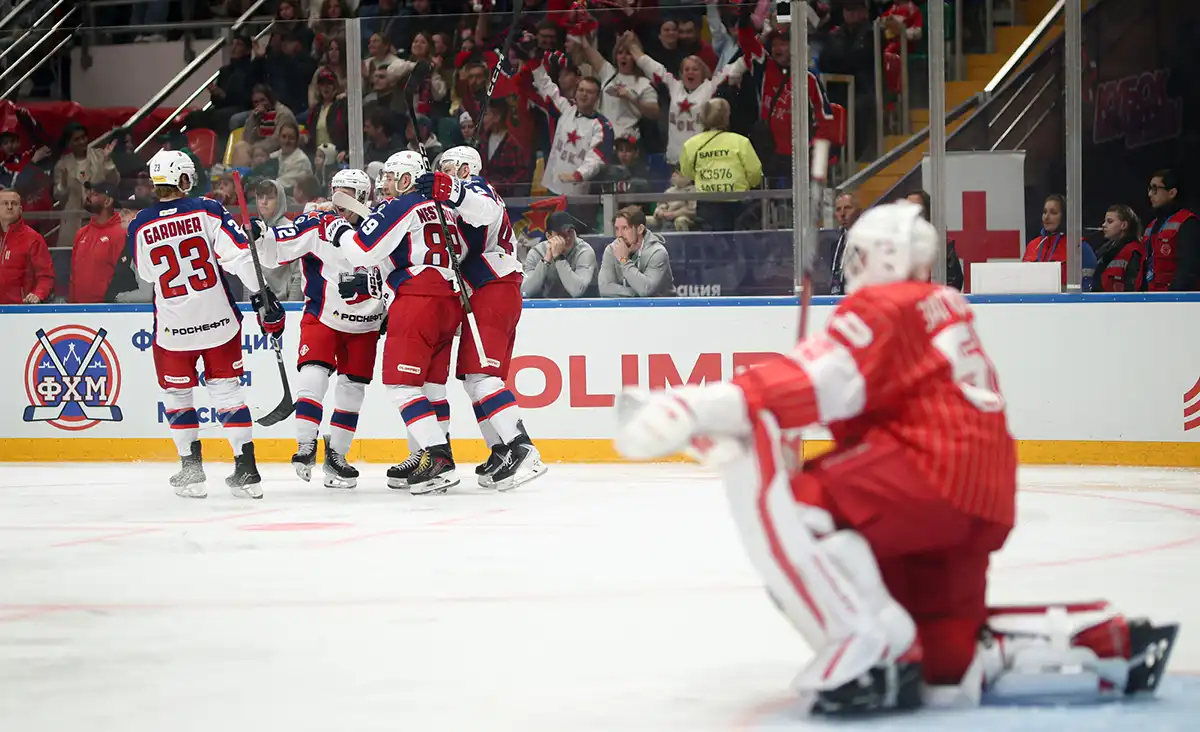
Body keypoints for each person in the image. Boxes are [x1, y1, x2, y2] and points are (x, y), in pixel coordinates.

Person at [613, 201, 1178, 714]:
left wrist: (687, 407)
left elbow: (805, 382)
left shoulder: (884, 305)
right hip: (983, 494)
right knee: (947, 667)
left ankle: (867, 648)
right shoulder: (945, 304)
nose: (852, 264)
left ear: (884, 256)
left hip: (927, 474)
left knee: (797, 500)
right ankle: (1096, 639)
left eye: (859, 253)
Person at [127, 150, 285, 499]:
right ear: (184, 180)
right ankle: (247, 471)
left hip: (173, 329)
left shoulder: (140, 223)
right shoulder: (208, 209)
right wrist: (262, 296)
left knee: (177, 396)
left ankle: (192, 471)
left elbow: (147, 274)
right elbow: (240, 257)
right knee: (228, 394)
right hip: (218, 323)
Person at [329, 151, 465, 495]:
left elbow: (360, 251)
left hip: (418, 301)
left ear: (407, 179)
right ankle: (425, 455)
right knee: (431, 387)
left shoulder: (400, 206)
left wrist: (340, 230)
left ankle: (437, 457)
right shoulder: (446, 209)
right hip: (449, 299)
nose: (384, 183)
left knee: (402, 385)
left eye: (390, 177)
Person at [416, 146, 548, 491]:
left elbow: (484, 210)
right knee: (474, 380)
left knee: (481, 376)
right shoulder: (457, 199)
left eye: (447, 169)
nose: (442, 174)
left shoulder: (476, 188)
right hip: (486, 288)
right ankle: (501, 449)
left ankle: (523, 448)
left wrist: (448, 190)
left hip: (494, 285)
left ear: (464, 169)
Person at [257, 168, 382, 489]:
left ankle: (337, 457)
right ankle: (305, 444)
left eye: (348, 193)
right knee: (313, 373)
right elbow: (276, 251)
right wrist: (261, 236)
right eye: (336, 191)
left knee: (353, 390)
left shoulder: (383, 225)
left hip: (366, 323)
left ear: (364, 197)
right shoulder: (317, 222)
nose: (338, 200)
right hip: (323, 315)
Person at [625, 31, 746, 165]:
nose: (690, 72)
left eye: (695, 69)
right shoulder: (673, 86)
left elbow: (735, 68)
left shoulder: (711, 87)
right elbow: (651, 66)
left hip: (702, 161)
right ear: (681, 74)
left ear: (703, 72)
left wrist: (754, 50)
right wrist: (632, 46)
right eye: (686, 69)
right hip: (675, 161)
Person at [529, 55, 615, 198]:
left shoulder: (602, 126)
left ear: (597, 97)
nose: (584, 95)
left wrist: (578, 175)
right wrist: (533, 61)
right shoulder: (566, 108)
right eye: (581, 90)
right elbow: (546, 86)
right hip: (551, 187)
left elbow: (597, 158)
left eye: (589, 92)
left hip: (578, 194)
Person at [679, 99, 762, 232]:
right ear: (726, 117)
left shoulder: (691, 144)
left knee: (714, 246)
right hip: (738, 202)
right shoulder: (740, 142)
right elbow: (755, 173)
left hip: (707, 203)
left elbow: (687, 172)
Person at [1022, 194, 1097, 288]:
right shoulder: (1032, 245)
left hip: (1066, 302)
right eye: (1044, 212)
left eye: (1053, 213)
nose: (1046, 217)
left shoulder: (1078, 247)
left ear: (1064, 216)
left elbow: (1087, 289)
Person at [69, 181, 126, 303]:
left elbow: (124, 276)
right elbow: (74, 275)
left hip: (107, 310)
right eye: (88, 192)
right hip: (78, 310)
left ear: (108, 201)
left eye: (94, 194)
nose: (88, 195)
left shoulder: (120, 233)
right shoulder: (81, 233)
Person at [599, 206, 674, 297]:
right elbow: (604, 288)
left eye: (625, 228)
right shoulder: (611, 250)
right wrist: (634, 293)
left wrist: (624, 260)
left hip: (663, 308)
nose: (619, 235)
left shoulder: (657, 253)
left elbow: (646, 289)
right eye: (617, 229)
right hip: (626, 308)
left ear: (640, 229)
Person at [1144, 169, 1200, 291]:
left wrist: (1172, 298)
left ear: (1172, 193)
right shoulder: (1151, 225)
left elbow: (1188, 268)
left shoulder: (1187, 222)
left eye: (1155, 189)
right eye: (1149, 189)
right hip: (1149, 298)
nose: (1150, 194)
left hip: (1174, 301)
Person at [0, 189, 53, 304]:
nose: (9, 207)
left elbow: (46, 276)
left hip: (20, 311)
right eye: (5, 203)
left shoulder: (33, 239)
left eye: (14, 203)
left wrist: (38, 294)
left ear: (20, 209)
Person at [253, 178, 303, 300]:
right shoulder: (253, 230)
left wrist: (293, 306)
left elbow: (298, 275)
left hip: (285, 305)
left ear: (279, 200)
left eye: (270, 198)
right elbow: (250, 272)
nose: (263, 202)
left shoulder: (291, 229)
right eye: (260, 197)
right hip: (260, 305)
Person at [1092, 204, 1145, 293]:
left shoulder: (1133, 251)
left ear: (1123, 225)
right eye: (1105, 221)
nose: (1103, 225)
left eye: (1110, 221)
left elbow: (1133, 287)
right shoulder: (1105, 251)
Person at [828, 191, 861, 295]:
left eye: (847, 208)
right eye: (838, 209)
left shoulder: (869, 241)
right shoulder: (836, 244)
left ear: (859, 211)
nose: (842, 214)